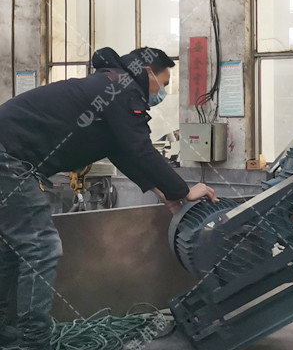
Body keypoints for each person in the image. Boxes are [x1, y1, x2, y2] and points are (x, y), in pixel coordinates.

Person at [0, 46, 218, 349]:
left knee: (12, 249)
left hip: (10, 158)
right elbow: (140, 148)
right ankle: (33, 341)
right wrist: (183, 191)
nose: (163, 92)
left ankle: (6, 332)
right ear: (148, 72)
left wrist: (164, 194)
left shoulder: (111, 85)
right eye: (164, 83)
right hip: (9, 160)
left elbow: (122, 152)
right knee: (41, 247)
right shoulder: (121, 90)